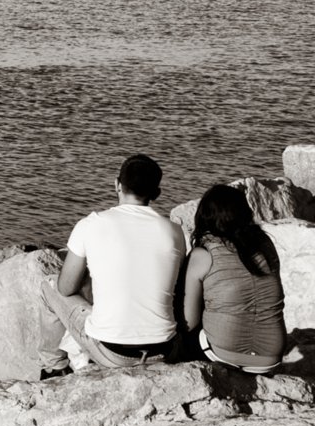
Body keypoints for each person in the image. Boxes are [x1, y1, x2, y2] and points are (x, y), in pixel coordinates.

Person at [38, 154, 186, 374]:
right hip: (164, 350)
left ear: (116, 184)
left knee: (48, 285)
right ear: (156, 193)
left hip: (112, 353)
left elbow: (65, 288)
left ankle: (53, 369)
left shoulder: (91, 224)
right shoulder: (174, 231)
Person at [182, 185, 288, 373]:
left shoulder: (203, 254)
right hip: (270, 358)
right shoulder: (265, 245)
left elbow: (189, 322)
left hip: (221, 355)